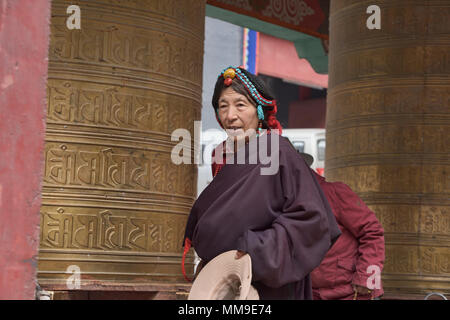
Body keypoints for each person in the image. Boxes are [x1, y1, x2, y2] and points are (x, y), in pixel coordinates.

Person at [182, 66, 341, 300]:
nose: (230, 116)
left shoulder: (278, 152)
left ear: (259, 110)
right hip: (221, 281)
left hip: (267, 285)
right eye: (223, 106)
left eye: (240, 105)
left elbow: (313, 221)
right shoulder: (223, 157)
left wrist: (253, 248)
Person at [298, 153, 385, 300]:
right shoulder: (283, 201)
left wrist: (366, 277)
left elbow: (372, 232)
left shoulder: (334, 192)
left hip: (352, 292)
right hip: (311, 293)